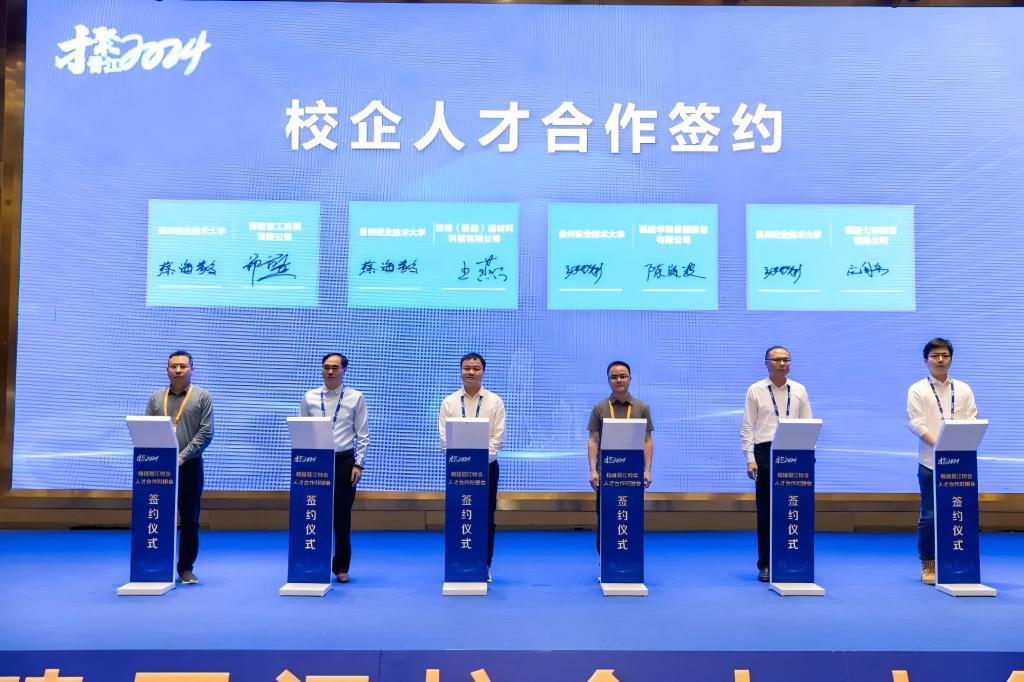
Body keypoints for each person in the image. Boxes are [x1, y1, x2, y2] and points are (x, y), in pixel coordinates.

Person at [907, 338, 977, 585]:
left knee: (960, 512)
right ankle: (928, 562)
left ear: (951, 359)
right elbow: (916, 423)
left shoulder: (964, 389)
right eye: (935, 355)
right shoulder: (918, 389)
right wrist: (940, 446)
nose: (940, 359)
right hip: (931, 462)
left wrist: (957, 445)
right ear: (925, 360)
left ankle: (958, 561)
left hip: (960, 463)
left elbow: (972, 419)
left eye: (945, 355)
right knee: (929, 516)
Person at [740, 346, 812, 582]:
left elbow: (808, 423)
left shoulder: (799, 389)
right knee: (767, 511)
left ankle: (794, 560)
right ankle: (765, 564)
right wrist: (750, 458)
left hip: (795, 450)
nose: (782, 364)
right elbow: (748, 426)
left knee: (794, 508)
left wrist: (809, 453)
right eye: (777, 360)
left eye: (786, 360)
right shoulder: (756, 389)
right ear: (766, 363)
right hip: (765, 451)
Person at [300, 353, 370, 584]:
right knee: (314, 512)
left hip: (343, 461)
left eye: (335, 368)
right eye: (326, 367)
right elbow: (302, 430)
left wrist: (358, 464)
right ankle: (313, 562)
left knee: (341, 517)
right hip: (316, 460)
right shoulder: (309, 397)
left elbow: (362, 434)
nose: (330, 371)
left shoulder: (355, 397)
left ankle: (341, 567)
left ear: (343, 370)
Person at [145, 351, 213, 585]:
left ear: (192, 369)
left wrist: (182, 457)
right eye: (173, 366)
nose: (178, 370)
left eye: (183, 366)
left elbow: (206, 432)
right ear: (167, 370)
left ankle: (185, 568)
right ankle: (156, 564)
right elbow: (147, 429)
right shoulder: (156, 398)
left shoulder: (202, 397)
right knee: (158, 515)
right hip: (159, 467)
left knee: (190, 519)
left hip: (190, 465)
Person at [438, 352, 505, 581]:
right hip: (457, 470)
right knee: (459, 514)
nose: (471, 372)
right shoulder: (449, 402)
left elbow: (498, 438)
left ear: (483, 372)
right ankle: (457, 562)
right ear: (461, 371)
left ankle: (484, 564)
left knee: (485, 516)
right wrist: (464, 460)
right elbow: (444, 439)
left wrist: (478, 461)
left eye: (476, 369)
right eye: (467, 368)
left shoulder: (495, 401)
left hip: (487, 468)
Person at [587, 360, 653, 553]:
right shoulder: (600, 408)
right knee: (605, 515)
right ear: (608, 380)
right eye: (614, 377)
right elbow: (593, 441)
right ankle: (605, 560)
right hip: (606, 473)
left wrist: (647, 470)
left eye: (623, 376)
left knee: (631, 515)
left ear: (630, 379)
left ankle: (629, 559)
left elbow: (647, 440)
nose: (619, 380)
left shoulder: (641, 407)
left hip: (632, 474)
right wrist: (593, 471)